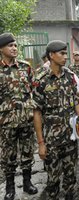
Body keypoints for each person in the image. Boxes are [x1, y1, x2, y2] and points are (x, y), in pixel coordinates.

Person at [32, 40, 79, 200]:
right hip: (51, 140)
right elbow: (36, 112)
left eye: (66, 53)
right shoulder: (41, 79)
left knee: (71, 177)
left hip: (70, 137)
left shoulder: (70, 76)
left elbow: (77, 102)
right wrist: (41, 143)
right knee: (53, 180)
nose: (65, 57)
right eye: (62, 53)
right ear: (51, 55)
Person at [0, 33, 38, 200]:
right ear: (1, 49)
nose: (14, 48)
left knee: (28, 152)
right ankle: (10, 187)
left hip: (26, 120)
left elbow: (34, 91)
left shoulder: (25, 67)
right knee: (8, 156)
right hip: (6, 122)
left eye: (15, 45)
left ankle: (28, 182)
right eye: (10, 46)